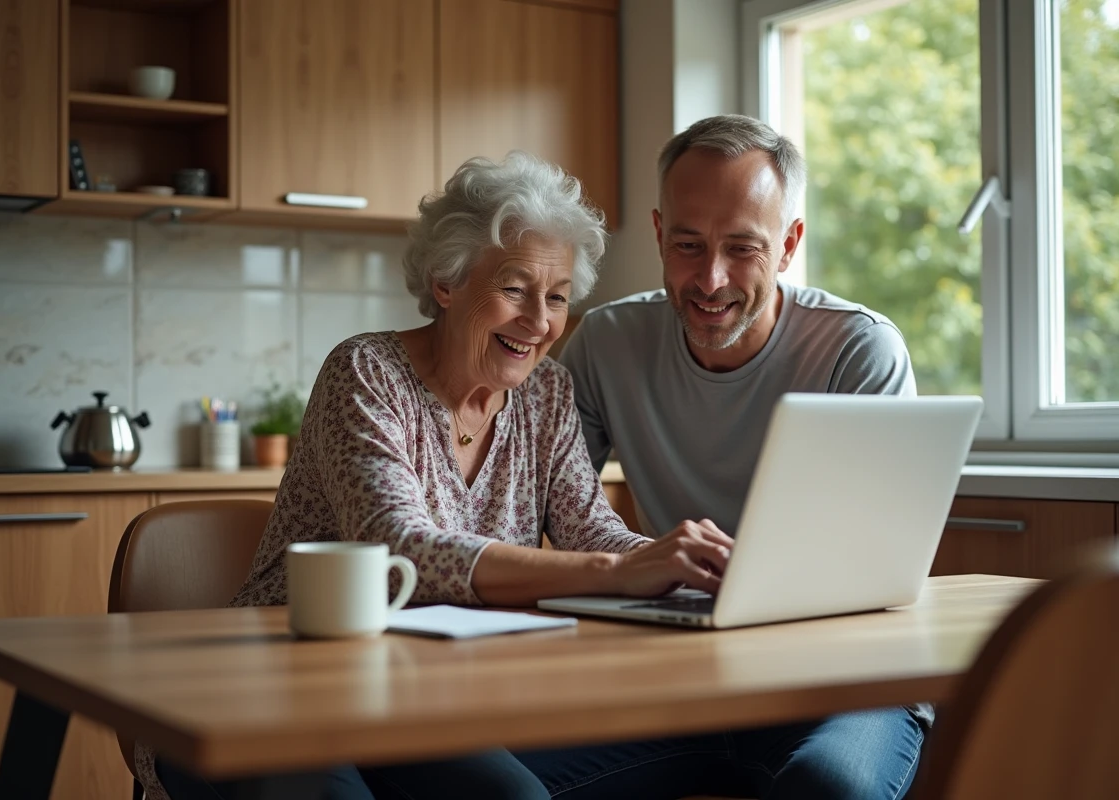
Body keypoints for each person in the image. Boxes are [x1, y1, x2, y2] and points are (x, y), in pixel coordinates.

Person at [137, 151, 734, 800]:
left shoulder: (548, 394)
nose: (540, 322)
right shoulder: (367, 372)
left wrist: (676, 561)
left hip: (417, 696)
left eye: (557, 298)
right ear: (446, 283)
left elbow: (588, 527)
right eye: (514, 289)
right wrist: (616, 573)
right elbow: (400, 546)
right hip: (279, 682)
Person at [534, 115, 923, 799]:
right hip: (681, 677)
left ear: (790, 244)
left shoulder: (859, 349)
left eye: (742, 248)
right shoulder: (605, 343)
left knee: (828, 789)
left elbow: (883, 572)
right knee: (490, 778)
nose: (710, 279)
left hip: (842, 682)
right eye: (688, 245)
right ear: (658, 233)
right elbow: (548, 511)